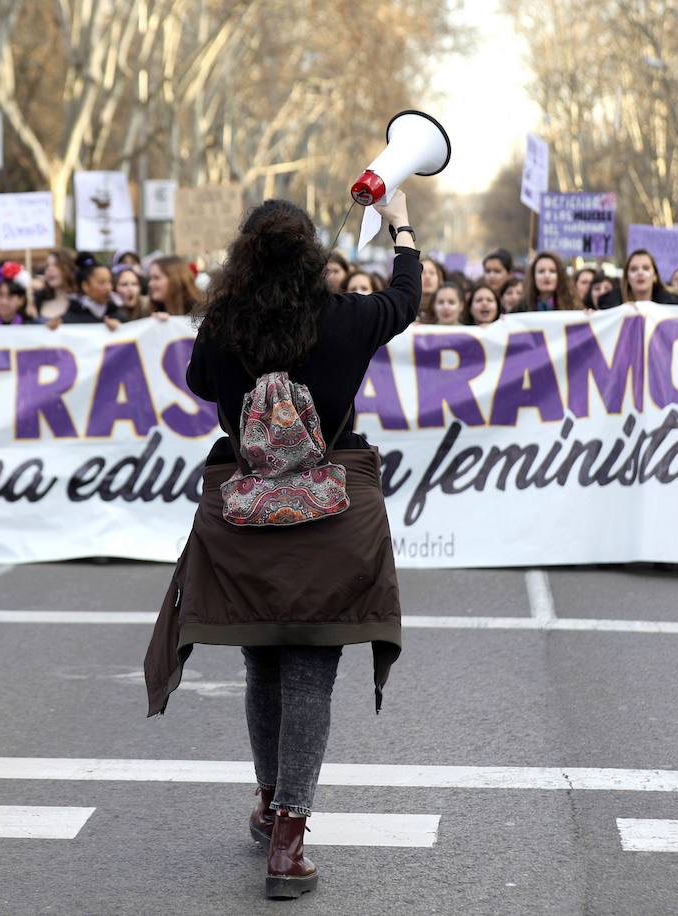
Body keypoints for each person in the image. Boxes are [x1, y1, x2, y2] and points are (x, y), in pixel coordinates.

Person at [145, 192, 418, 901]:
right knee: (310, 671)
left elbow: (198, 381)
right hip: (332, 515)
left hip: (245, 514)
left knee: (261, 661)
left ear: (243, 258)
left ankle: (270, 803)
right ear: (312, 260)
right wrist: (402, 225)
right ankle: (291, 836)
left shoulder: (225, 325)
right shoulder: (347, 319)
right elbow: (408, 298)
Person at [49, 253, 121, 330]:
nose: (108, 288)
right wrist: (52, 329)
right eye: (101, 282)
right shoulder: (69, 319)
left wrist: (120, 329)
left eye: (110, 282)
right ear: (85, 286)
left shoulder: (118, 313)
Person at [38, 249, 78, 320]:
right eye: (47, 265)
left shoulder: (82, 303)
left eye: (56, 265)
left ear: (68, 268)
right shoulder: (37, 300)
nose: (49, 269)